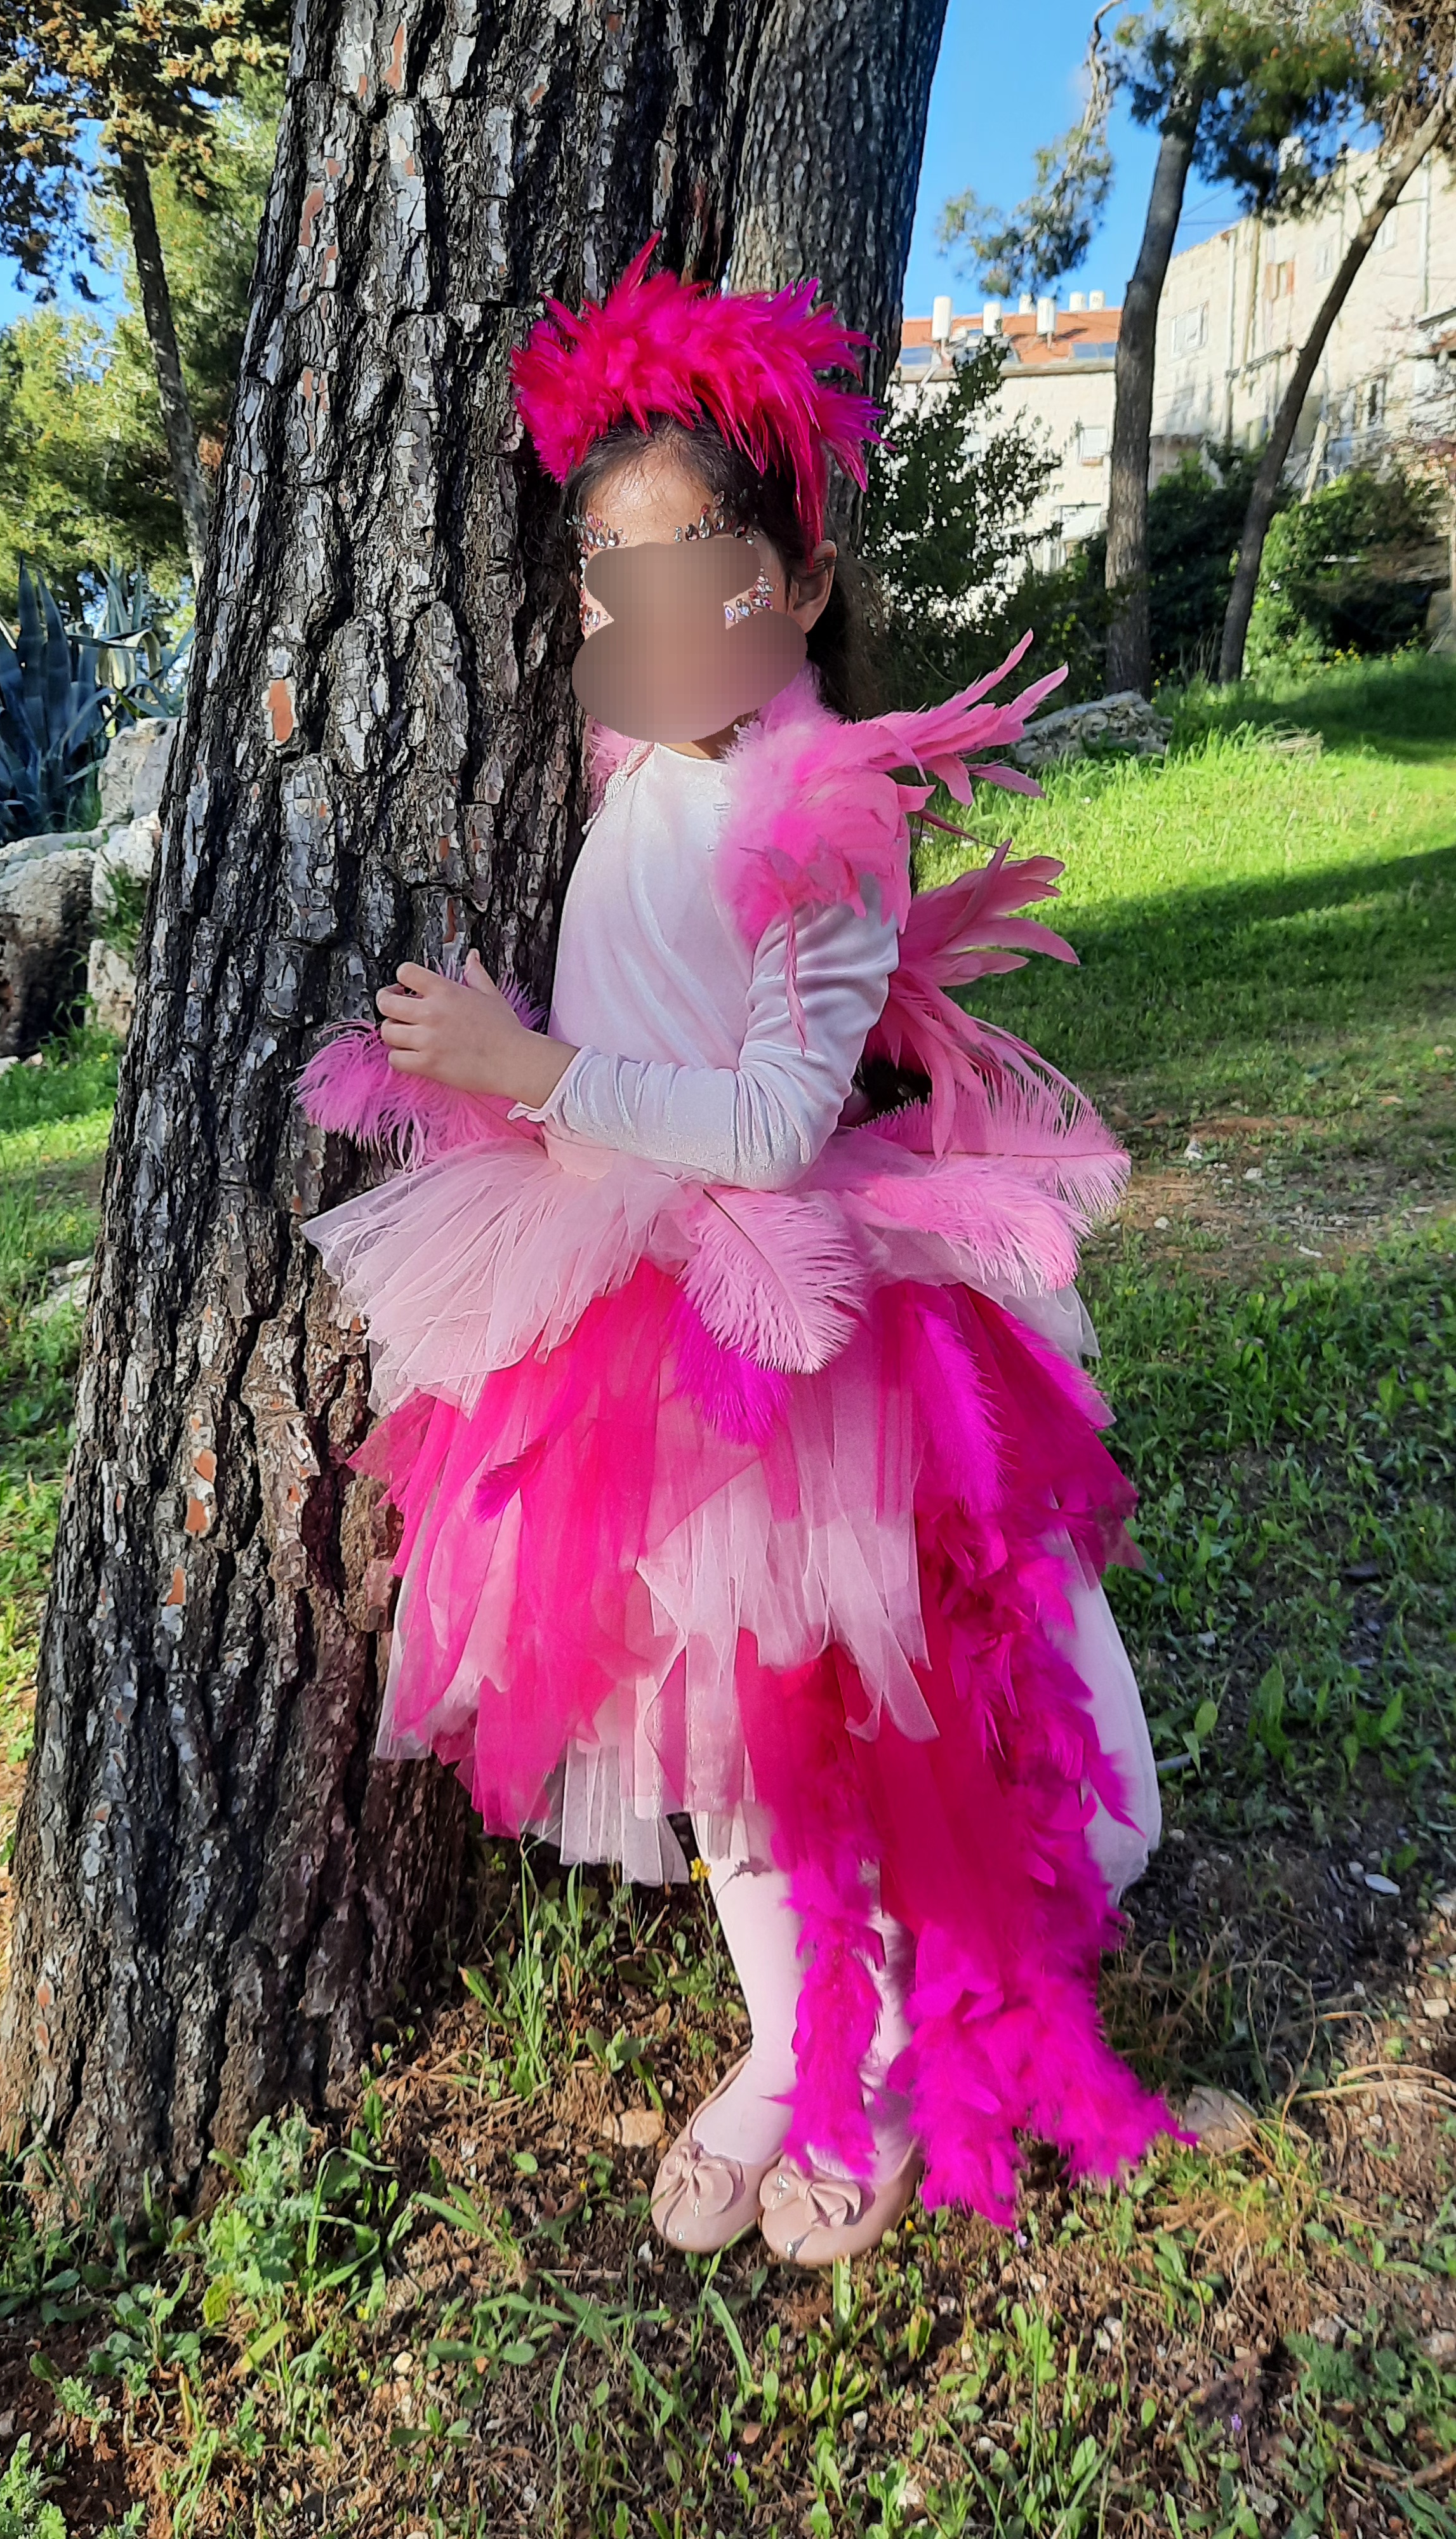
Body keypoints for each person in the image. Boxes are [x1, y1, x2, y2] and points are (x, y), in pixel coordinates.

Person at [298, 244, 1180, 2266]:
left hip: (790, 1329)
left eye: (687, 567)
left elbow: (783, 1115)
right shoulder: (650, 763)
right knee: (716, 1736)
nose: (636, 612)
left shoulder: (823, 811)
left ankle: (891, 2043)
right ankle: (788, 2041)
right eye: (605, 574)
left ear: (790, 581)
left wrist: (529, 1065)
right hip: (615, 1304)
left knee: (844, 1717)